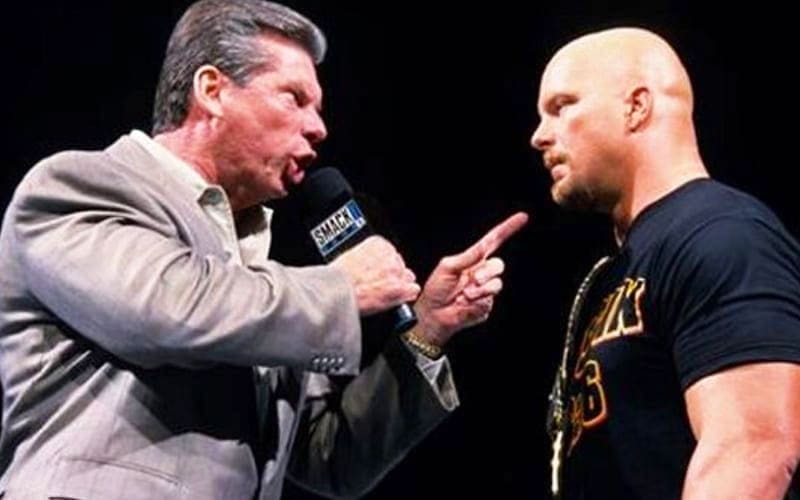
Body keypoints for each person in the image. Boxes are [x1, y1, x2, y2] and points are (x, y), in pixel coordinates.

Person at [0, 1, 528, 499]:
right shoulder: (79, 188)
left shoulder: (261, 284)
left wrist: (428, 330)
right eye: (294, 98)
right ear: (212, 90)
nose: (319, 128)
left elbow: (330, 456)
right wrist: (342, 288)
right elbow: (168, 309)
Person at [532, 27, 800, 499]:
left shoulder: (722, 235)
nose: (539, 136)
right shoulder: (621, 267)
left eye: (562, 106)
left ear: (637, 106)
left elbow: (752, 449)